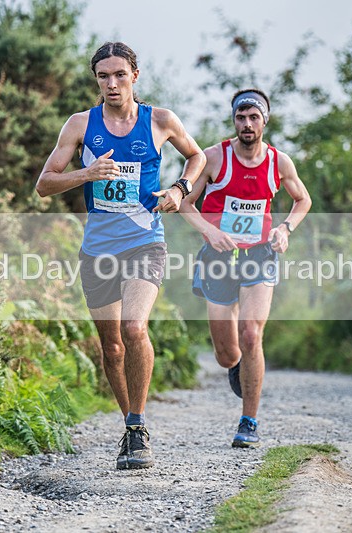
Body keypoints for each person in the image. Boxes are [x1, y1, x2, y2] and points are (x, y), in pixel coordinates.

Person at [35, 42, 205, 469]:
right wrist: (86, 173)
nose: (112, 84)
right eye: (103, 76)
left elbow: (197, 156)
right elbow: (44, 184)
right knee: (111, 348)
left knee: (133, 326)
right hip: (97, 250)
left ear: (135, 75)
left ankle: (137, 426)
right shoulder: (80, 125)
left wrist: (179, 189)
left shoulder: (160, 120)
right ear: (96, 80)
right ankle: (128, 426)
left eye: (119, 75)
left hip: (145, 241)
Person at [179, 88, 311, 448]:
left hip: (259, 254)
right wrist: (210, 231)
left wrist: (285, 229)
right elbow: (186, 204)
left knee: (251, 334)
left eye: (254, 117)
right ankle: (239, 366)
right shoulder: (213, 158)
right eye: (241, 117)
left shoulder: (279, 162)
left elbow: (303, 199)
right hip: (219, 256)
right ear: (234, 120)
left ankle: (248, 421)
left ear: (265, 121)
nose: (247, 124)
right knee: (226, 353)